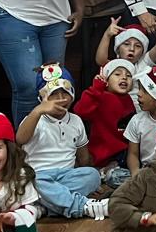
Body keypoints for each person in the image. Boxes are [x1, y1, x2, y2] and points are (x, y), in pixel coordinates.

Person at [16, 63, 107, 220]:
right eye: (53, 95)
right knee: (31, 181)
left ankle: (44, 206)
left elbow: (83, 157)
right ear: (42, 98)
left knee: (93, 175)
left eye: (65, 94)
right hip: (38, 175)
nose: (60, 100)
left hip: (66, 175)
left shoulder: (76, 121)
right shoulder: (34, 118)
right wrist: (38, 111)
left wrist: (92, 181)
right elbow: (20, 139)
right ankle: (81, 206)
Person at [73, 60, 137, 186]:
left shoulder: (129, 100)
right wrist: (96, 89)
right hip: (100, 157)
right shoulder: (100, 97)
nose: (124, 77)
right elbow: (80, 110)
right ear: (106, 81)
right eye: (117, 74)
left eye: (128, 76)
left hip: (122, 156)